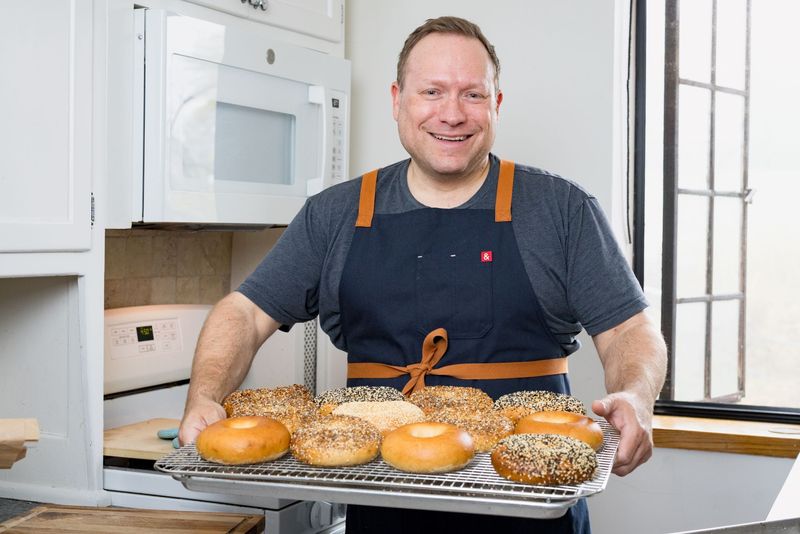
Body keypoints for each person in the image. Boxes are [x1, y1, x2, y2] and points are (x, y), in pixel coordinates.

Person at [179, 15, 667, 534]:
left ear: (496, 105)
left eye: (472, 95)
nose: (452, 114)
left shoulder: (560, 210)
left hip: (532, 511)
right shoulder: (336, 214)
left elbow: (629, 330)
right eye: (431, 92)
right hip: (384, 512)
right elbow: (245, 312)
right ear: (398, 101)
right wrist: (204, 396)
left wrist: (636, 395)